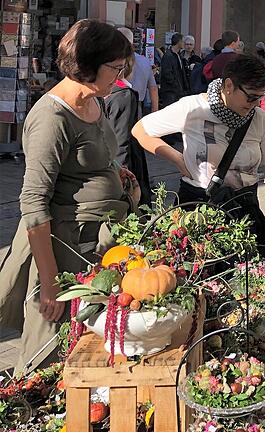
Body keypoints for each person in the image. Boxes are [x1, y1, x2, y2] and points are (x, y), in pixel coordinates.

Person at [0, 19, 135, 374]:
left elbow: (91, 157)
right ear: (88, 64)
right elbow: (33, 201)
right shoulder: (50, 117)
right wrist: (49, 282)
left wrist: (113, 173)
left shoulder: (95, 102)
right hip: (65, 248)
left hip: (97, 242)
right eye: (115, 68)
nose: (120, 77)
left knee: (90, 342)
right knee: (52, 349)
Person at [132, 55, 265, 239]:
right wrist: (178, 159)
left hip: (244, 211)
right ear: (229, 86)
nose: (257, 104)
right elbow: (141, 130)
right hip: (196, 210)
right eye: (252, 97)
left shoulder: (260, 119)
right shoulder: (193, 108)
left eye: (261, 97)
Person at [104, 55, 151, 207]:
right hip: (125, 157)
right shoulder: (124, 95)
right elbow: (121, 137)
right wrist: (124, 173)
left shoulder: (108, 92)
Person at [117, 27, 158, 114]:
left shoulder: (113, 60)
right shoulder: (145, 61)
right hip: (137, 106)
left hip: (116, 103)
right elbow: (153, 88)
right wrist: (155, 112)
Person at [159, 33, 189, 108]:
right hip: (170, 92)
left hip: (178, 91)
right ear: (178, 42)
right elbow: (167, 73)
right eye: (182, 41)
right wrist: (175, 85)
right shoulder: (168, 56)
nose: (184, 43)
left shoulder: (178, 55)